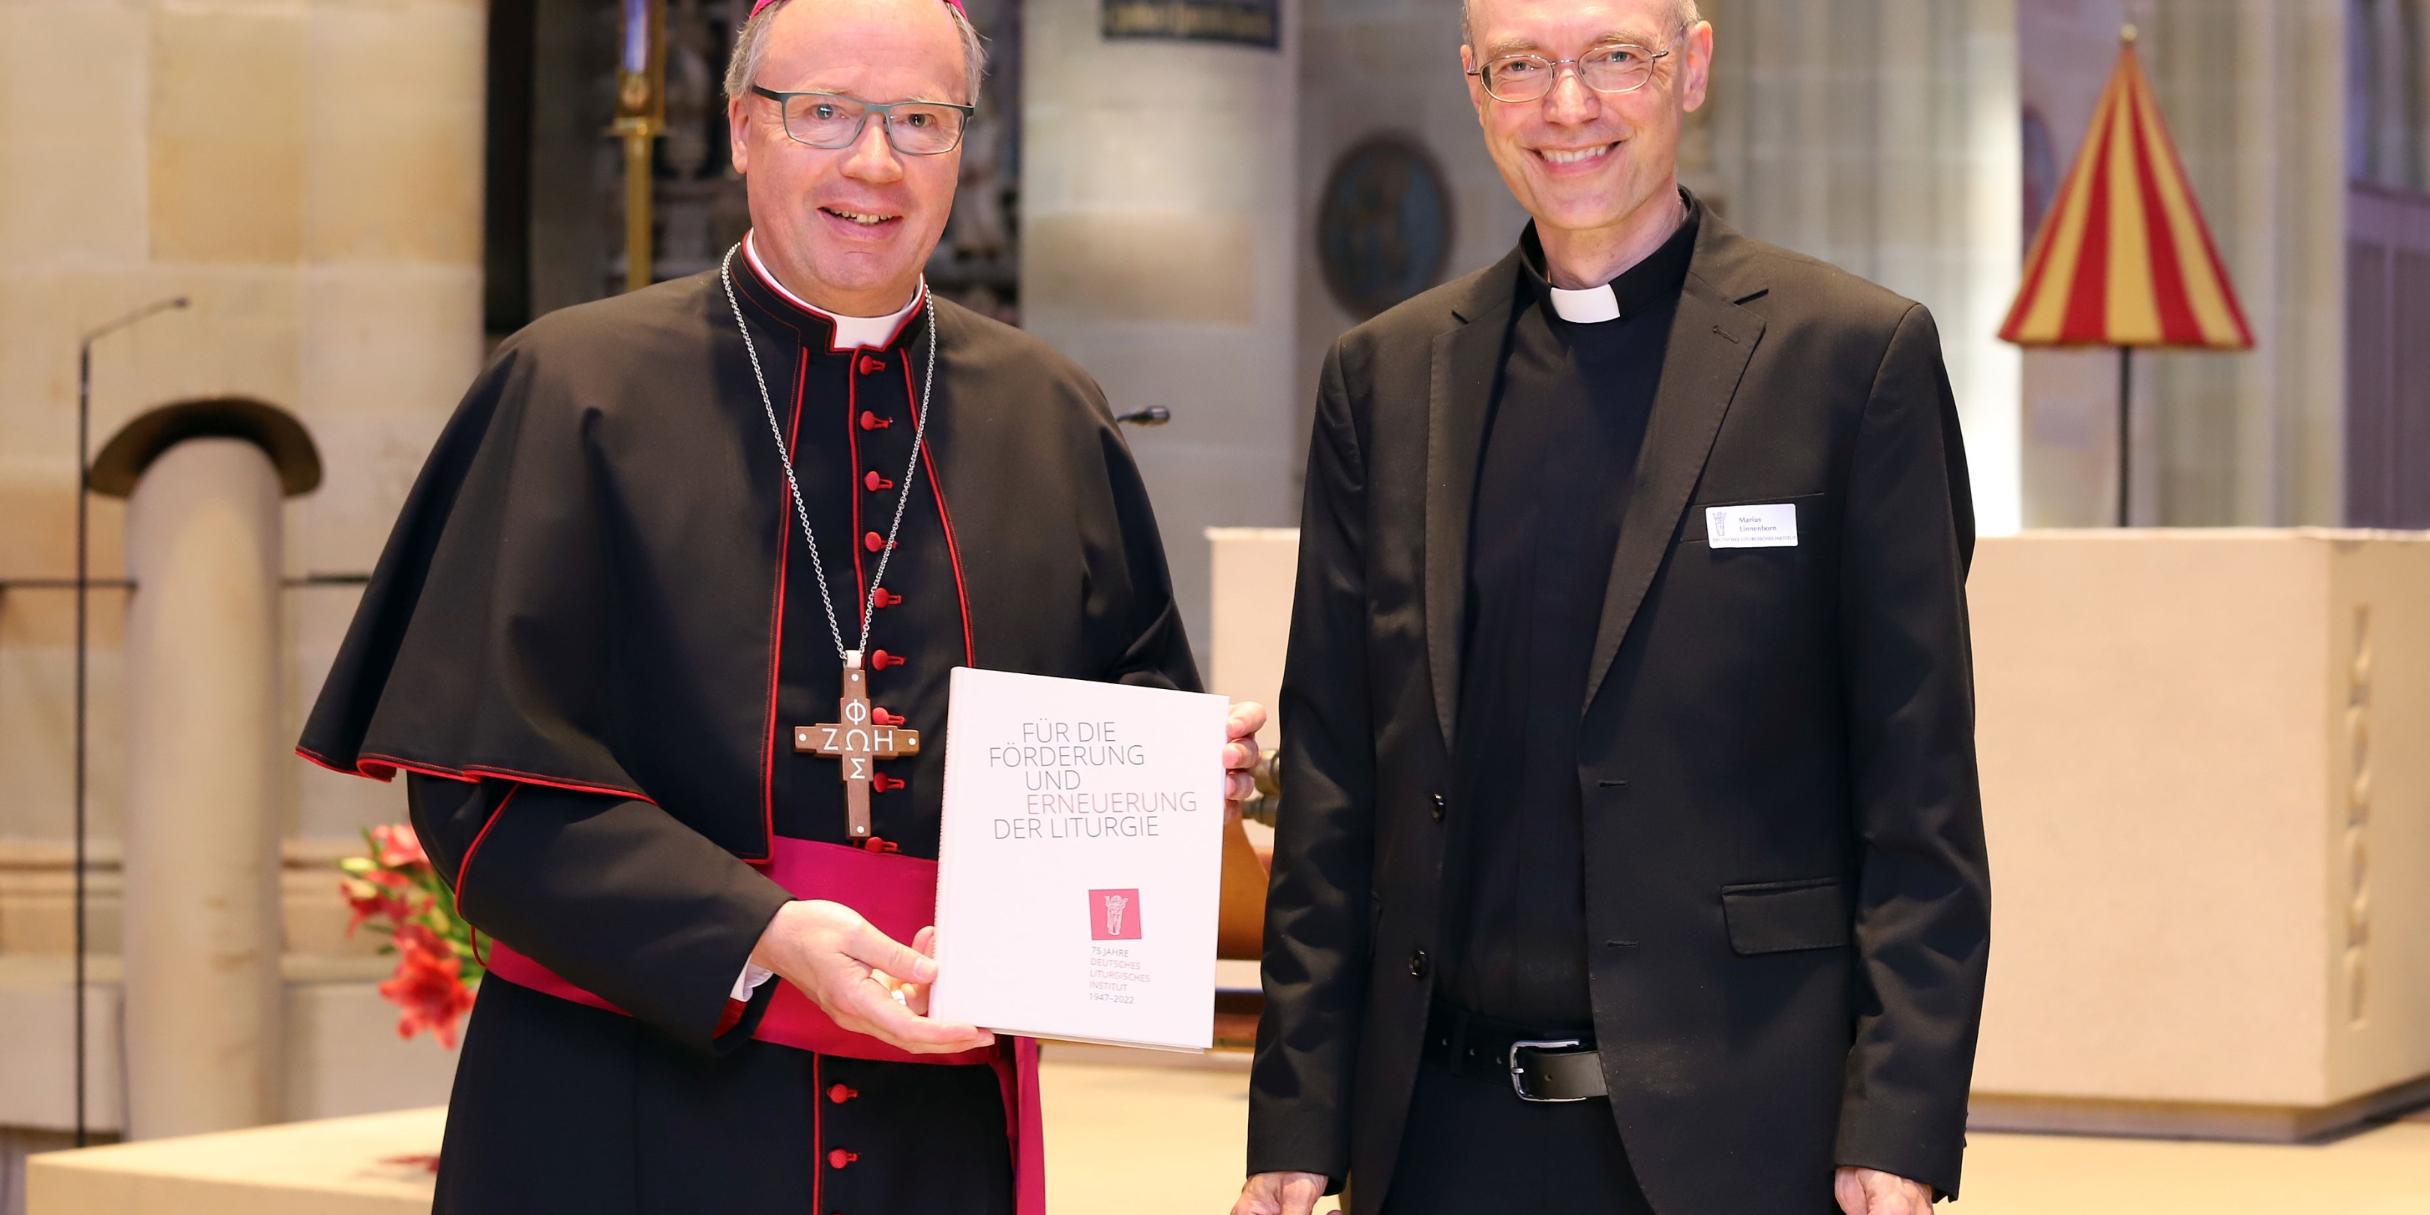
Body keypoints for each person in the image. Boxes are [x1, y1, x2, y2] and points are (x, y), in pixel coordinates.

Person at [299, 0, 1264, 1210]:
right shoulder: (572, 388)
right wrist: (758, 932)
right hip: (621, 1115)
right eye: (825, 114)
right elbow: (480, 791)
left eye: (920, 120)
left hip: (933, 1127)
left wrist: (1183, 783)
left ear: (964, 145)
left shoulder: (1049, 412)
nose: (876, 164)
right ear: (742, 129)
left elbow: (1126, 722)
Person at [1238, 1, 1989, 1212]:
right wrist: (1295, 1118)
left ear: (1692, 67)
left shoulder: (1852, 360)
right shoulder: (1385, 377)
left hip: (1746, 1136)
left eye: (1614, 59)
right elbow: (1334, 782)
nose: (1568, 107)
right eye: (1522, 66)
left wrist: (1897, 1121)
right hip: (1437, 1137)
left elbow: (1920, 789)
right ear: (1475, 86)